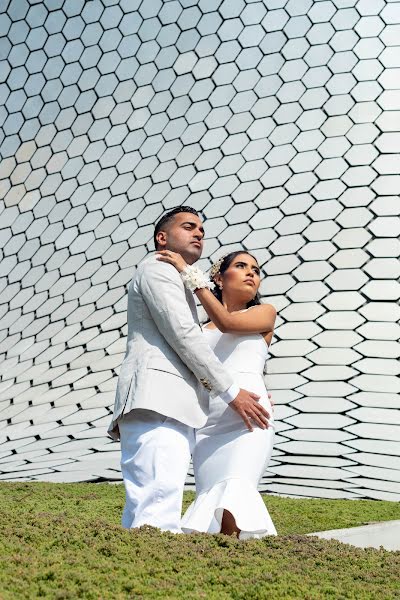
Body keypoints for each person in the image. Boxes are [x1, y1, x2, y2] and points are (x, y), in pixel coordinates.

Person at [108, 207, 270, 533]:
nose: (198, 233)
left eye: (202, 230)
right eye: (189, 227)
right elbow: (185, 337)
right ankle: (151, 569)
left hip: (211, 411)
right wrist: (231, 392)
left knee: (164, 498)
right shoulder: (159, 269)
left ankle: (158, 565)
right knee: (158, 502)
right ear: (162, 238)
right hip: (175, 405)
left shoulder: (258, 310)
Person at [156, 249, 277, 539]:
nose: (251, 273)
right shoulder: (196, 331)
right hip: (208, 425)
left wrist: (189, 274)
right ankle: (216, 564)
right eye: (241, 266)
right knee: (211, 499)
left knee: (237, 485)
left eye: (256, 269)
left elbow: (227, 323)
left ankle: (235, 561)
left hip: (249, 419)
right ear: (219, 279)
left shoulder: (264, 313)